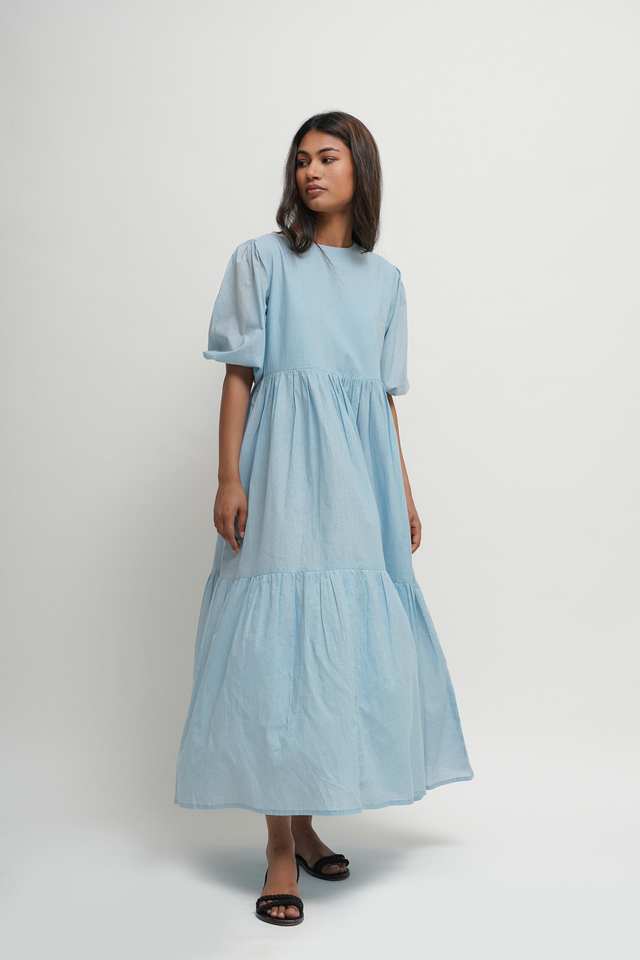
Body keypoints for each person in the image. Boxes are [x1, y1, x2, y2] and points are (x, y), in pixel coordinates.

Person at [174, 111, 474, 926]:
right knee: (278, 647)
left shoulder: (386, 280)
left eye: (328, 157)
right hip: (281, 471)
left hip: (358, 481)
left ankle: (305, 825)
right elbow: (239, 374)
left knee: (333, 652)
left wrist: (402, 492)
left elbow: (380, 399)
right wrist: (228, 477)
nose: (310, 171)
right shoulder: (261, 260)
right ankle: (279, 847)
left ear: (358, 171)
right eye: (301, 159)